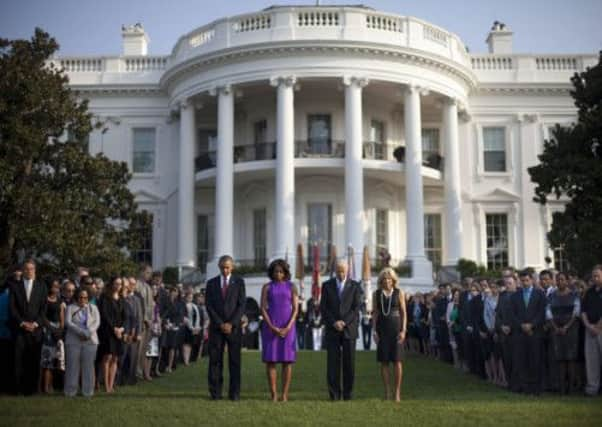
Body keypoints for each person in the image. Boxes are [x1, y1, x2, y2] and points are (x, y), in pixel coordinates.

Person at [205, 255, 246, 400]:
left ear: (232, 267)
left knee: (234, 361)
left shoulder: (239, 282)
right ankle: (215, 393)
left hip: (234, 329)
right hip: (217, 328)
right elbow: (209, 306)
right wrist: (220, 323)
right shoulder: (211, 283)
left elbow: (241, 305)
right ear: (219, 267)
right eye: (222, 267)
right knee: (215, 361)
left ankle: (234, 393)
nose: (225, 270)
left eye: (228, 267)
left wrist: (231, 323)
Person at [320, 259, 361, 401]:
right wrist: (334, 322)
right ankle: (334, 394)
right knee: (332, 363)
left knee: (349, 363)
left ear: (348, 270)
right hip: (332, 329)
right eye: (338, 270)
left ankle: (347, 394)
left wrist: (344, 322)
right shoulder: (326, 286)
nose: (341, 273)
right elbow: (323, 308)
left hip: (349, 329)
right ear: (335, 270)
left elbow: (356, 308)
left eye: (343, 270)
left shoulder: (355, 286)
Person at [260, 259, 299, 402]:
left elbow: (295, 309)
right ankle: (274, 394)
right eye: (276, 271)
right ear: (272, 272)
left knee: (287, 362)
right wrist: (271, 326)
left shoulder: (292, 287)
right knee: (271, 361)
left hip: (288, 327)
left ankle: (285, 395)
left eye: (281, 271)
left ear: (286, 272)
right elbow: (263, 308)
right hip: (271, 327)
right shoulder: (267, 287)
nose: (278, 274)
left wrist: (288, 327)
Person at [9, 259, 47, 395]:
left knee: (34, 360)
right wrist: (23, 323)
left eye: (31, 269)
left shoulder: (42, 286)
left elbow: (44, 309)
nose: (29, 271)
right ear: (23, 270)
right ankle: (18, 390)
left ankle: (33, 390)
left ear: (35, 270)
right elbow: (12, 309)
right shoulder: (15, 286)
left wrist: (35, 324)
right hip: (20, 330)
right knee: (18, 360)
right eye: (26, 269)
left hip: (36, 331)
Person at [372, 267, 407, 402]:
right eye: (384, 279)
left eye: (389, 279)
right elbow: (375, 313)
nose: (387, 281)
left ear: (393, 280)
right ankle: (387, 391)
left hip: (396, 328)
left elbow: (404, 313)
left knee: (397, 361)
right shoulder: (377, 294)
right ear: (381, 281)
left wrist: (403, 330)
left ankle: (397, 392)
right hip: (382, 329)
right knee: (384, 361)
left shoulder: (399, 293)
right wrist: (374, 331)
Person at [510, 269, 546, 395]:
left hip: (535, 333)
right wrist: (521, 325)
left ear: (532, 280)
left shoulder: (540, 294)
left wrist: (532, 325)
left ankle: (536, 388)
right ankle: (525, 388)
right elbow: (512, 314)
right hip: (520, 334)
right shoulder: (515, 295)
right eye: (522, 280)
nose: (525, 283)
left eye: (527, 280)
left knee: (535, 360)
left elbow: (542, 313)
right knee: (522, 360)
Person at [547, 272, 580, 394]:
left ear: (567, 281)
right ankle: (561, 388)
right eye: (558, 280)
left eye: (562, 279)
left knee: (570, 359)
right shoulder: (551, 296)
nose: (560, 282)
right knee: (560, 359)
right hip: (556, 330)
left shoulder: (574, 295)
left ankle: (571, 388)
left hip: (571, 330)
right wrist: (555, 327)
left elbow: (576, 313)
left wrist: (566, 326)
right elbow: (548, 313)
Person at [64, 288, 100, 397]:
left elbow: (97, 322)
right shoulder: (70, 308)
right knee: (72, 366)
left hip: (90, 341)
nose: (83, 299)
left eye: (85, 297)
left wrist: (88, 333)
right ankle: (70, 391)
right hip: (73, 340)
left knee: (88, 367)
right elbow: (68, 322)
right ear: (76, 297)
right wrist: (80, 332)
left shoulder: (93, 308)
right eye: (80, 297)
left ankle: (88, 392)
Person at [97, 276, 126, 393]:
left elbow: (125, 316)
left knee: (115, 358)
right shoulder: (105, 298)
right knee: (107, 357)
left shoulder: (122, 298)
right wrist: (114, 329)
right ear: (111, 284)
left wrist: (121, 329)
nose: (118, 286)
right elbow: (104, 315)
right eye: (116, 283)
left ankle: (111, 383)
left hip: (119, 332)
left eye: (120, 284)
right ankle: (106, 385)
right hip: (108, 332)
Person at [41, 279, 65, 393]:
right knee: (47, 361)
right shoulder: (44, 300)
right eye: (54, 286)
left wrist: (60, 331)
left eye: (57, 286)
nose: (56, 288)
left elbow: (62, 317)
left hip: (57, 331)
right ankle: (45, 387)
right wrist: (51, 328)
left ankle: (51, 386)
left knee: (56, 360)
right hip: (47, 330)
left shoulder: (60, 301)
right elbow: (42, 316)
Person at [581, 265, 602, 396]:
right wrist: (588, 326)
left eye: (598, 276)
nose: (595, 278)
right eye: (593, 276)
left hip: (601, 329)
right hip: (590, 329)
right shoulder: (589, 292)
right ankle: (592, 388)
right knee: (591, 360)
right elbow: (583, 311)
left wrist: (599, 327)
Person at [496, 275, 517, 389]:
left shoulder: (519, 295)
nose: (507, 286)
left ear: (515, 283)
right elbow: (498, 315)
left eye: (510, 283)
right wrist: (501, 326)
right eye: (506, 283)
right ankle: (510, 383)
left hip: (516, 333)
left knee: (517, 360)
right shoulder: (502, 296)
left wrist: (512, 327)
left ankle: (517, 383)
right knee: (506, 359)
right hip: (504, 333)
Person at [136, 264, 154, 381]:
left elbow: (150, 306)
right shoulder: (136, 285)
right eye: (148, 272)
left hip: (149, 322)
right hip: (140, 322)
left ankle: (143, 372)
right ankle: (136, 372)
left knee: (146, 350)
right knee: (138, 349)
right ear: (141, 272)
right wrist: (144, 319)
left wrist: (150, 320)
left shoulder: (148, 287)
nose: (149, 275)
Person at [163, 286, 186, 372]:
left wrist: (176, 324)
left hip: (175, 327)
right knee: (165, 347)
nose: (173, 293)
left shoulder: (179, 303)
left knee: (172, 347)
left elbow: (181, 315)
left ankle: (170, 365)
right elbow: (163, 313)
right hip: (166, 326)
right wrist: (166, 322)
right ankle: (163, 365)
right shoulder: (166, 301)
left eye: (175, 291)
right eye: (172, 291)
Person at [183, 291, 202, 366]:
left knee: (190, 344)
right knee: (186, 344)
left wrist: (197, 327)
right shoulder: (185, 305)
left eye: (191, 297)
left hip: (194, 327)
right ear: (186, 298)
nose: (190, 299)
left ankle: (188, 359)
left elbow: (198, 318)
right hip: (187, 327)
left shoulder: (194, 306)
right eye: (188, 297)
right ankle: (186, 361)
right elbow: (185, 318)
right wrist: (191, 327)